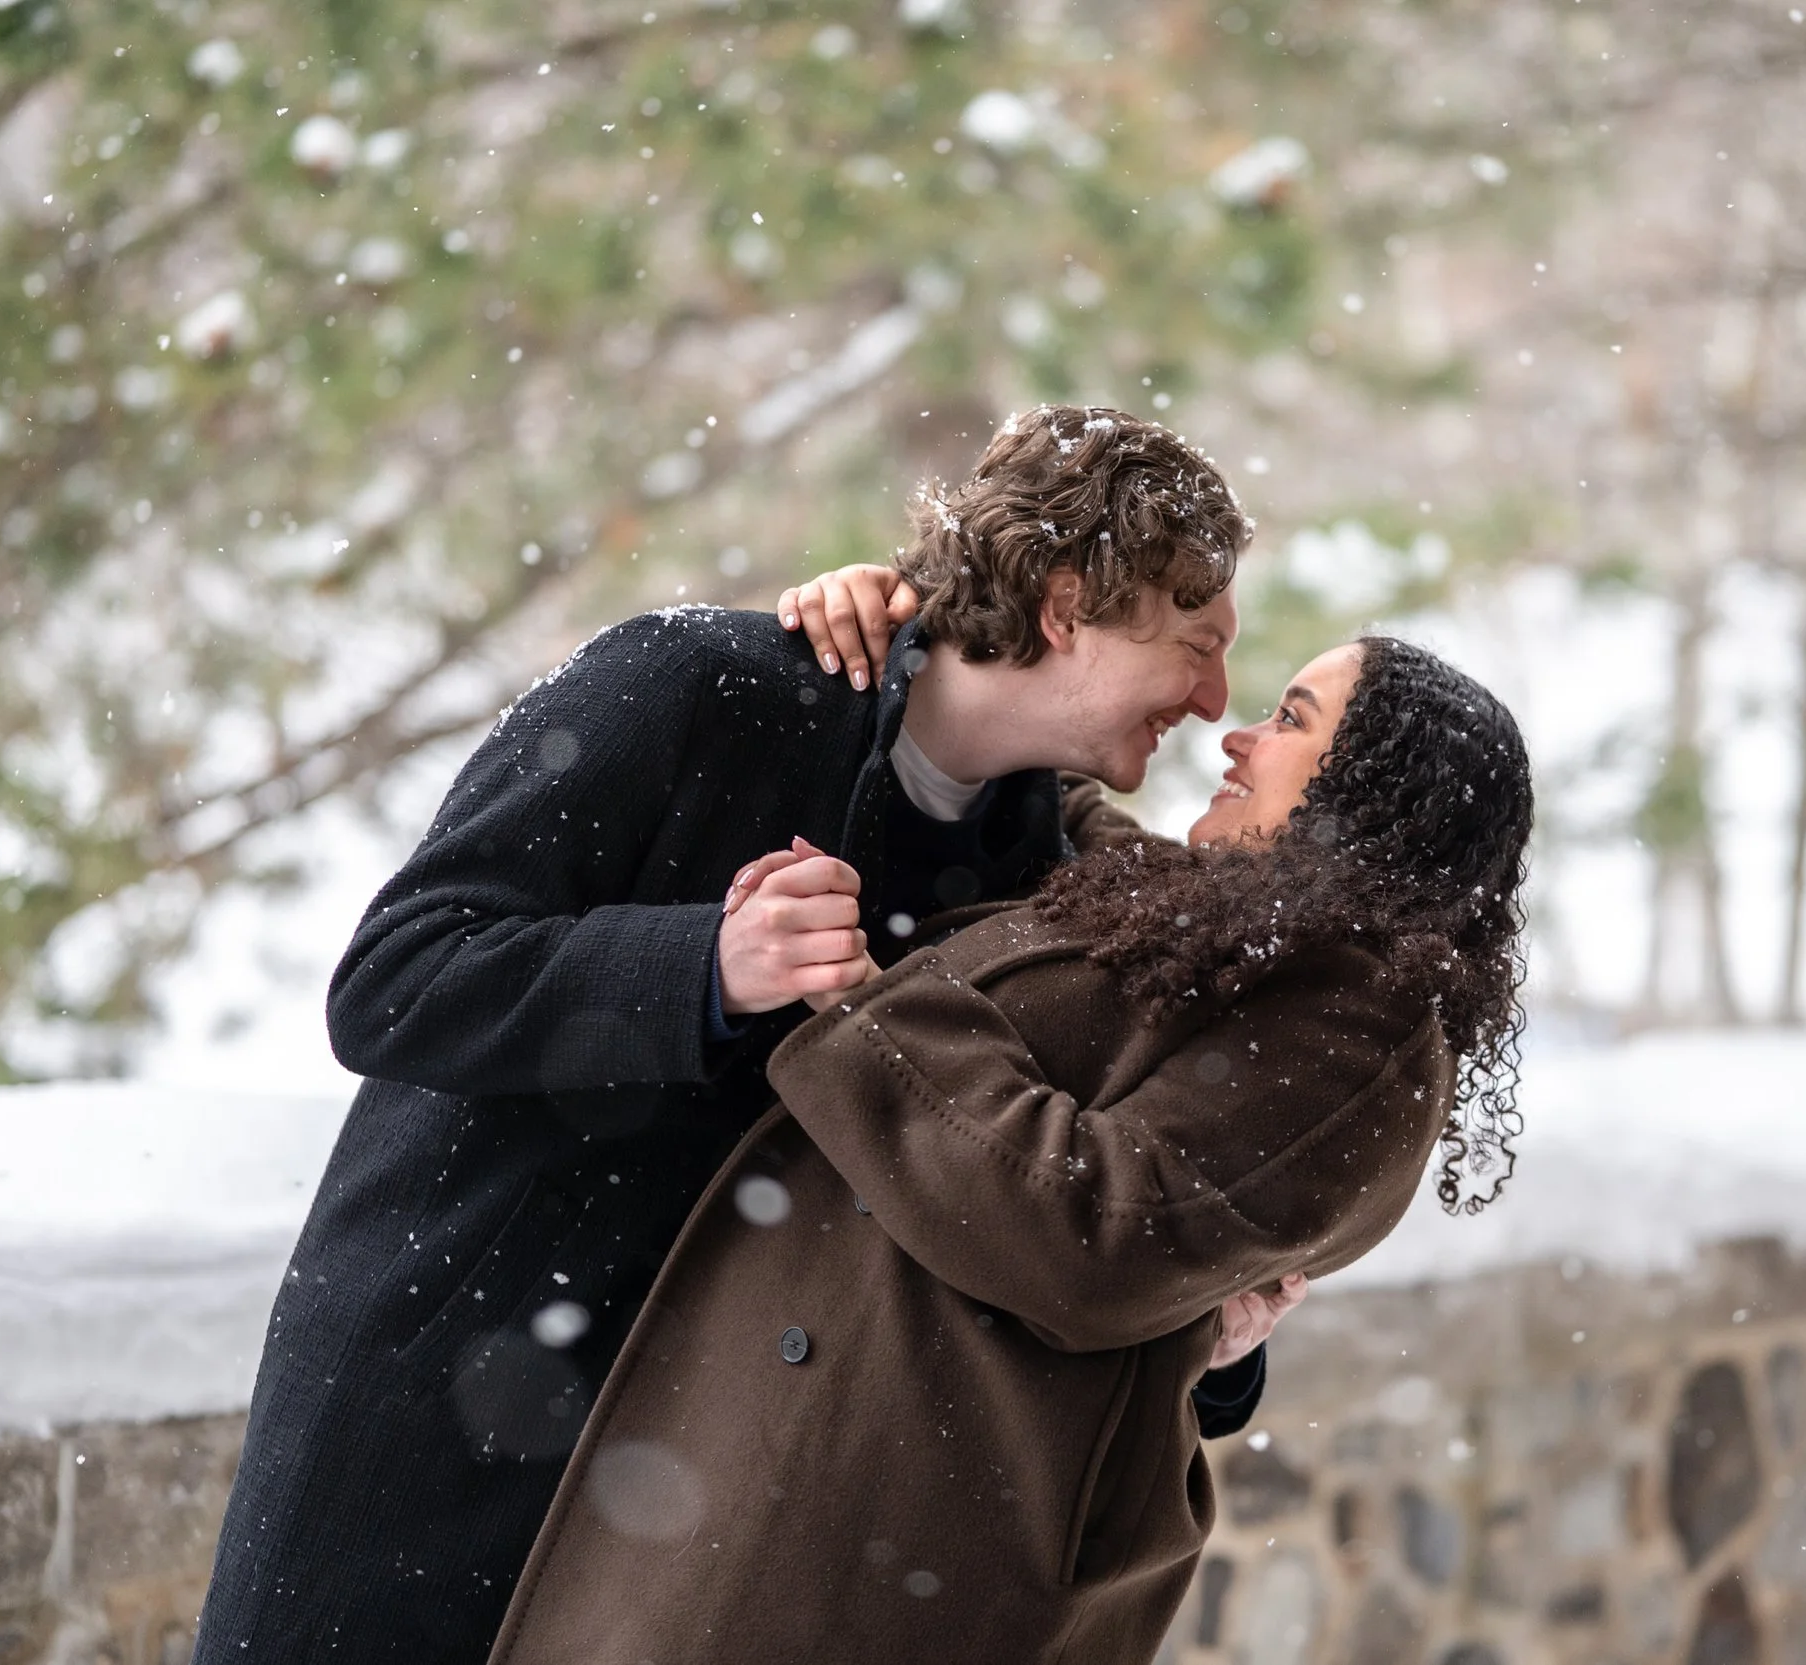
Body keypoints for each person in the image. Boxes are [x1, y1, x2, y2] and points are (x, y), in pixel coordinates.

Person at [193, 407, 1304, 1663]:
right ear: (1062, 609)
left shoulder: (1050, 873)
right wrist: (702, 966)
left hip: (690, 1506)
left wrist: (1203, 1350)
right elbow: (394, 981)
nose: (1216, 700)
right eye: (1196, 644)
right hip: (434, 1417)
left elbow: (1008, 1201)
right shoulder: (692, 682)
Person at [484, 631, 1536, 1665]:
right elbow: (1054, 801)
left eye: (1291, 719)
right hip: (795, 1490)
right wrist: (923, 636)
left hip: (900, 1555)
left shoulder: (1362, 1024)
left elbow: (1093, 1238)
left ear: (1379, 791)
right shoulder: (1213, 922)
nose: (1237, 738)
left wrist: (865, 1009)